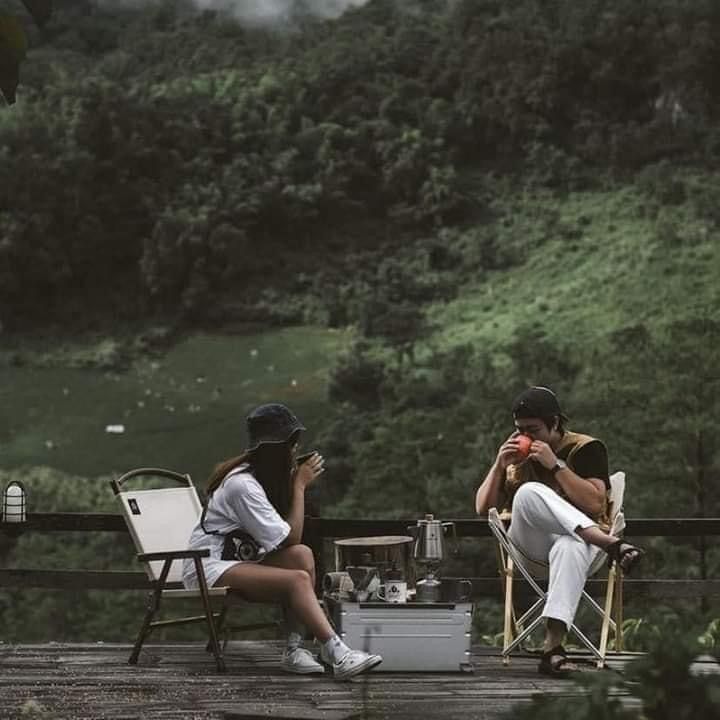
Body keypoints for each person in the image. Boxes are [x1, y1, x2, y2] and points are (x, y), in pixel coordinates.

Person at [182, 402, 382, 679]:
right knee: (297, 577)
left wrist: (291, 482)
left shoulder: (258, 478)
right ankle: (338, 653)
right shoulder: (243, 486)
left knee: (303, 556)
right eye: (291, 444)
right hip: (208, 565)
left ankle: (294, 649)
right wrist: (299, 485)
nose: (296, 450)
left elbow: (293, 545)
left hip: (237, 558)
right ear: (275, 450)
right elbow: (290, 536)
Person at [474, 386, 643, 676]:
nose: (525, 436)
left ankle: (552, 649)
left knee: (571, 544)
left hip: (584, 549)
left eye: (534, 429)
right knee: (527, 493)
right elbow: (483, 509)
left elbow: (594, 502)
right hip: (530, 547)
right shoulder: (515, 455)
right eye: (520, 429)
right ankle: (612, 544)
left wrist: (555, 466)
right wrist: (499, 466)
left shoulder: (586, 448)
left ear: (554, 423)